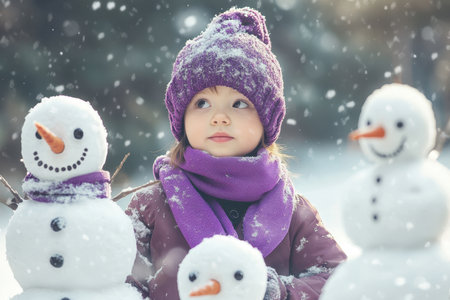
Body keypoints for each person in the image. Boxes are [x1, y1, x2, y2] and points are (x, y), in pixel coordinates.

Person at [125, 7, 346, 300]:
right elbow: (117, 283)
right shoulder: (152, 205)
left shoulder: (292, 211)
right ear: (182, 119)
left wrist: (278, 291)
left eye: (239, 104)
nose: (219, 117)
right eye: (202, 103)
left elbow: (339, 281)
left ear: (266, 121)